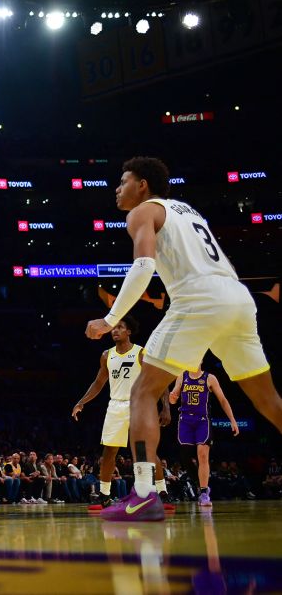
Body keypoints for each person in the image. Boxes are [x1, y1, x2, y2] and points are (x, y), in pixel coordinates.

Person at [85, 156, 282, 522]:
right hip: (237, 298)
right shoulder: (186, 211)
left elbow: (143, 266)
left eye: (123, 181)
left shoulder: (143, 211)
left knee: (142, 391)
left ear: (142, 185)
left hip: (198, 299)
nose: (117, 188)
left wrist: (110, 317)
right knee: (269, 401)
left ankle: (143, 494)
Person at [72, 316, 172, 510]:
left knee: (146, 451)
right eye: (113, 328)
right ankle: (104, 495)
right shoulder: (106, 355)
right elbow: (99, 383)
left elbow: (159, 381)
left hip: (139, 405)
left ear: (129, 332)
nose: (115, 331)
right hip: (115, 406)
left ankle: (163, 492)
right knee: (109, 451)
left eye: (120, 327)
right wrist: (81, 402)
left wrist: (166, 407)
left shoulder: (141, 352)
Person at [169, 365, 240, 508]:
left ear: (201, 359)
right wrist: (172, 397)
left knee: (202, 455)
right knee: (185, 457)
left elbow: (223, 400)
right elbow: (173, 399)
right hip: (185, 421)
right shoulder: (182, 376)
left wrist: (232, 419)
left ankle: (203, 493)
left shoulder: (210, 378)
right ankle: (200, 483)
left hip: (202, 421)